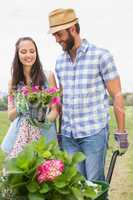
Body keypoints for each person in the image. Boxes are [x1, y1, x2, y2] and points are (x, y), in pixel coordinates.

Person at [48, 8, 129, 182]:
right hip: (69, 137)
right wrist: (60, 133)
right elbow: (62, 100)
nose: (56, 40)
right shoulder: (60, 62)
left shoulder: (101, 56)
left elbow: (117, 95)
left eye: (59, 34)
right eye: (54, 35)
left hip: (93, 133)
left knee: (94, 187)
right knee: (76, 187)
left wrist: (121, 135)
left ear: (72, 29)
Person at [1, 37, 59, 158]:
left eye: (32, 51)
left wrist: (45, 121)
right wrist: (23, 105)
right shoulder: (13, 82)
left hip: (44, 133)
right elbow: (11, 116)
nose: (28, 55)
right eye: (23, 52)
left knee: (44, 172)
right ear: (17, 55)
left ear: (36, 53)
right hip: (20, 136)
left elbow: (55, 108)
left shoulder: (48, 76)